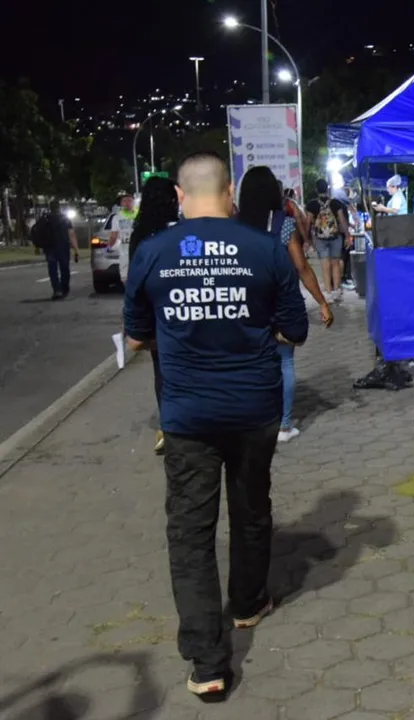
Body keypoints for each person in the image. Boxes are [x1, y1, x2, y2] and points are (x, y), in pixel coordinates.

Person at [123, 152, 308, 701]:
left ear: (180, 197)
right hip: (254, 409)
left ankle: (208, 663)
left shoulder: (153, 251)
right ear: (228, 192)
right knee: (251, 507)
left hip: (187, 416)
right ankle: (248, 604)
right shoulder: (265, 249)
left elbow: (136, 338)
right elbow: (293, 330)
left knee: (190, 533)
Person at [238, 166, 334, 443]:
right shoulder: (284, 223)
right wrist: (322, 302)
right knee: (285, 362)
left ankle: (256, 421)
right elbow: (302, 267)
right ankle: (283, 425)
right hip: (279, 303)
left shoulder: (236, 224)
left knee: (252, 363)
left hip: (245, 303)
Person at [128, 177, 180, 455]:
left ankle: (168, 424)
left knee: (161, 368)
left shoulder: (140, 235)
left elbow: (134, 282)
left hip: (154, 311)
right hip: (182, 307)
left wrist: (135, 322)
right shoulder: (180, 231)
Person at [305, 179, 350, 303]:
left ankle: (328, 294)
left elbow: (307, 223)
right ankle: (336, 291)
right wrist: (347, 236)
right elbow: (342, 220)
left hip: (320, 239)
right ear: (327, 188)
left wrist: (307, 239)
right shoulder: (335, 203)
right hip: (335, 237)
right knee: (335, 264)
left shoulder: (312, 204)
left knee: (325, 266)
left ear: (316, 189)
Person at [34, 200, 79, 300]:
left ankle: (57, 290)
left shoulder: (45, 219)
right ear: (59, 207)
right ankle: (64, 289)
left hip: (49, 248)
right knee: (64, 269)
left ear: (50, 208)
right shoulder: (65, 219)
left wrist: (37, 247)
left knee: (52, 270)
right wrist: (76, 249)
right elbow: (71, 235)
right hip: (63, 247)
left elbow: (38, 233)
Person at [105, 193, 137, 286]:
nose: (127, 203)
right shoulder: (117, 217)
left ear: (133, 202)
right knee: (125, 276)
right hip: (125, 251)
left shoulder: (139, 215)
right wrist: (108, 248)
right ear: (121, 203)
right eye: (124, 201)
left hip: (138, 249)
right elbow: (113, 236)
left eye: (129, 200)